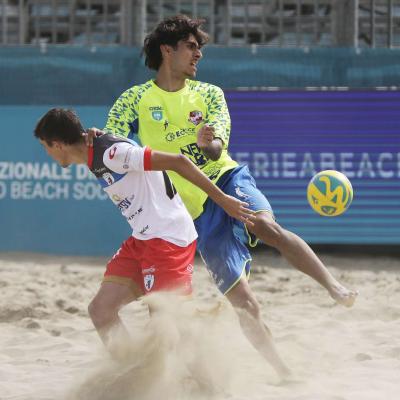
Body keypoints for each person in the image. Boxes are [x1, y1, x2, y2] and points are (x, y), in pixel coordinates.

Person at [88, 15, 358, 379]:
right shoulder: (135, 99)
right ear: (167, 50)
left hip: (226, 178)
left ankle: (332, 286)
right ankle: (283, 371)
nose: (198, 54)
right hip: (193, 213)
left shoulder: (210, 93)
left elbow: (217, 149)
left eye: (199, 47)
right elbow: (115, 145)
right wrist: (99, 138)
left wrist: (208, 144)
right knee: (243, 301)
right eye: (191, 46)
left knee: (264, 225)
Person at [33, 107, 257, 359]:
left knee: (166, 328)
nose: (47, 153)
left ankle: (206, 374)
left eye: (45, 146)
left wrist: (223, 199)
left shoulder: (112, 154)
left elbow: (179, 162)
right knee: (101, 310)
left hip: (168, 238)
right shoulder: (95, 149)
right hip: (143, 238)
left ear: (57, 144)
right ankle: (128, 370)